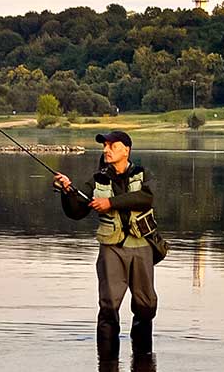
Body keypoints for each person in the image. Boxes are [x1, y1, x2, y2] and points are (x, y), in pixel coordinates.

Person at [54, 131, 158, 358]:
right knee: (109, 306)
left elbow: (146, 198)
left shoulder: (144, 174)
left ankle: (143, 358)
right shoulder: (97, 180)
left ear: (126, 150)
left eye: (112, 146)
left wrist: (110, 202)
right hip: (111, 249)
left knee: (146, 306)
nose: (106, 150)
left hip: (141, 247)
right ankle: (107, 365)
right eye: (105, 146)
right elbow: (76, 212)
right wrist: (66, 191)